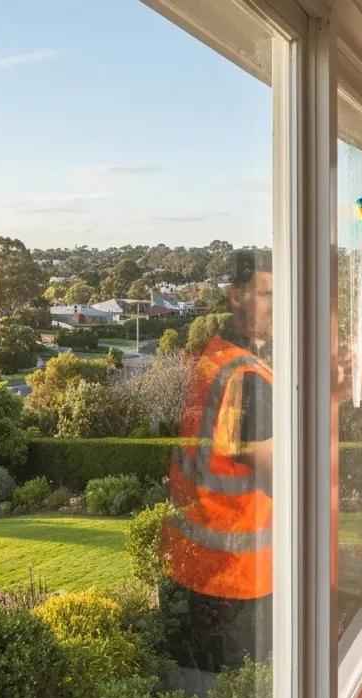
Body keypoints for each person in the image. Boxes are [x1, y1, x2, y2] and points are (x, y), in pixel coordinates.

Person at [161, 249, 273, 675]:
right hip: (240, 580)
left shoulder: (219, 356)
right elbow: (293, 480)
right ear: (236, 297)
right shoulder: (248, 379)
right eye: (266, 293)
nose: (277, 306)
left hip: (206, 571)